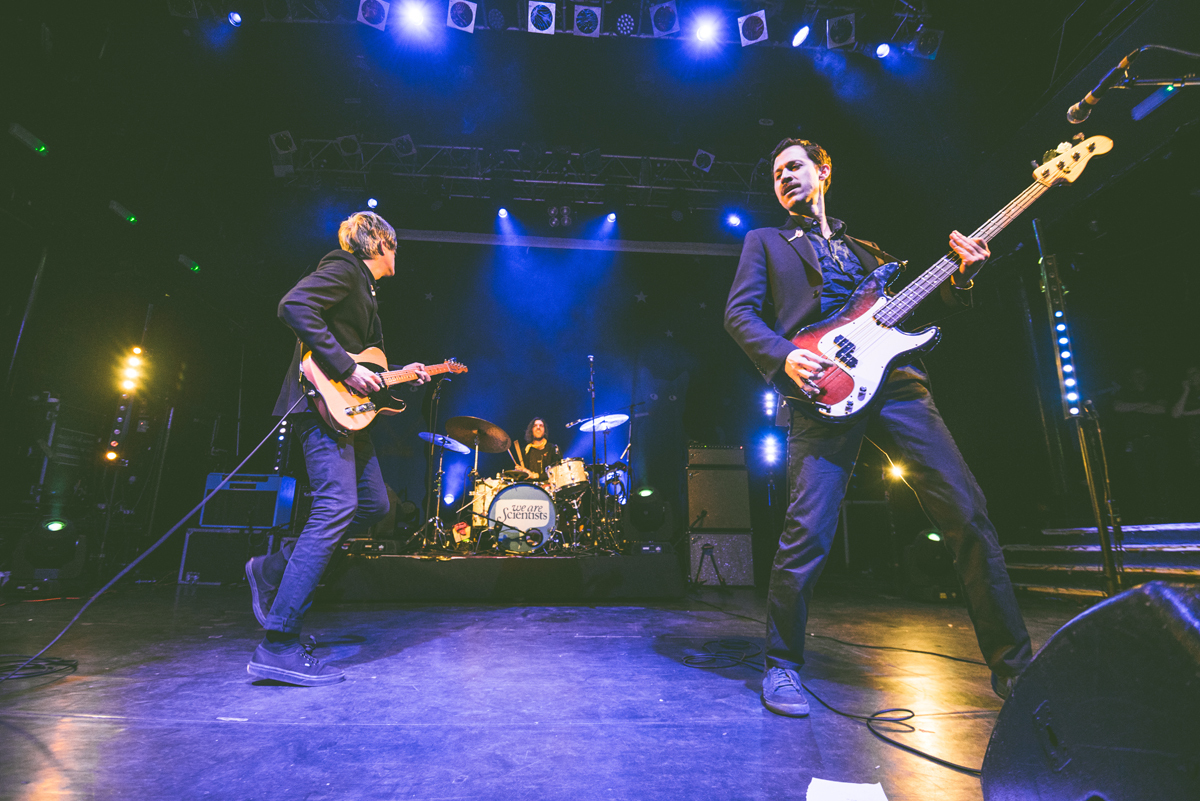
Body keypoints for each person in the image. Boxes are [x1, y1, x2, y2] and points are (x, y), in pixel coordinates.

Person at [724, 138, 1032, 717]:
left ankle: (1017, 672)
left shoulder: (868, 251)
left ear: (824, 170)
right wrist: (784, 356)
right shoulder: (764, 242)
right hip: (820, 388)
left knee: (967, 512)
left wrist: (962, 277)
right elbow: (739, 313)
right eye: (775, 174)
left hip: (896, 387)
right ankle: (782, 665)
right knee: (807, 532)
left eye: (794, 166)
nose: (784, 178)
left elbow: (914, 311)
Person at [245, 211, 430, 686]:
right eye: (395, 244)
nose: (398, 252)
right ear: (379, 244)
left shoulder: (366, 291)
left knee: (373, 503)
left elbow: (368, 372)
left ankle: (271, 569)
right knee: (335, 506)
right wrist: (345, 368)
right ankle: (278, 643)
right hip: (319, 409)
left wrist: (403, 374)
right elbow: (293, 306)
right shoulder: (345, 269)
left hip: (348, 416)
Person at [515, 417, 561, 483]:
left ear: (545, 431)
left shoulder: (552, 449)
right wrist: (520, 472)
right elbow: (522, 477)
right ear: (531, 430)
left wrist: (535, 475)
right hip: (529, 489)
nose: (538, 427)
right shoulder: (525, 451)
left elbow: (557, 472)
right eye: (535, 426)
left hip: (548, 489)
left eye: (541, 425)